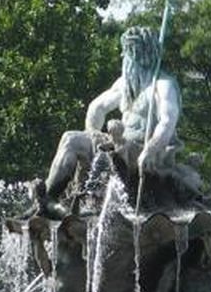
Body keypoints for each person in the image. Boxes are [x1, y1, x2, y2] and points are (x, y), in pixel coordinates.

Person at [34, 26, 188, 215]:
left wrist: (151, 149)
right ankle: (50, 199)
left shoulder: (163, 85)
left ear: (142, 55)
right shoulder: (126, 84)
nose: (125, 60)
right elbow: (96, 107)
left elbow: (167, 122)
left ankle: (53, 200)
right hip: (119, 145)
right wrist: (93, 132)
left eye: (129, 55)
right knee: (70, 139)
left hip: (145, 151)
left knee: (77, 140)